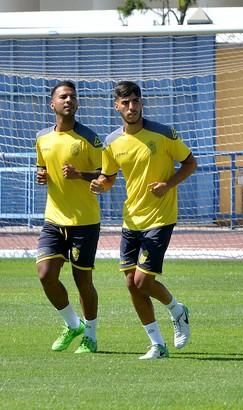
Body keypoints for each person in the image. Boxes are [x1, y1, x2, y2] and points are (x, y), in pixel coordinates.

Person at [90, 81, 196, 360]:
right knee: (130, 283)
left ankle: (176, 310)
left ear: (141, 103)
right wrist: (101, 185)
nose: (132, 107)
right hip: (131, 219)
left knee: (142, 280)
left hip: (160, 217)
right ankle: (157, 345)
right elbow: (108, 177)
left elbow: (190, 162)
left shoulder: (163, 134)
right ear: (117, 106)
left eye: (135, 101)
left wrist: (168, 184)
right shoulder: (112, 142)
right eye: (125, 103)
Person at [35, 80, 103, 354]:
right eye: (63, 96)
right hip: (53, 219)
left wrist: (80, 175)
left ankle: (91, 335)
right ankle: (72, 324)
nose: (69, 100)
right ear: (52, 104)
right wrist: (41, 176)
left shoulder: (90, 138)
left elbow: (105, 177)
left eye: (73, 97)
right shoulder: (42, 138)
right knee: (45, 274)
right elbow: (43, 169)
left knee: (82, 281)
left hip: (84, 222)